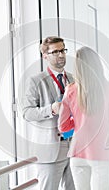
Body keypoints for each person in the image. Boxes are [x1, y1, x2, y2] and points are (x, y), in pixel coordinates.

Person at [58, 46, 109, 190]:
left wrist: (79, 122)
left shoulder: (70, 90)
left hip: (77, 153)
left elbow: (63, 127)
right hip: (101, 152)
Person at [21, 36, 75, 189]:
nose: (61, 55)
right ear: (45, 56)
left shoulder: (73, 78)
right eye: (55, 52)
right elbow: (26, 113)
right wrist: (51, 109)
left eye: (63, 50)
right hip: (50, 150)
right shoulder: (35, 80)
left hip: (73, 146)